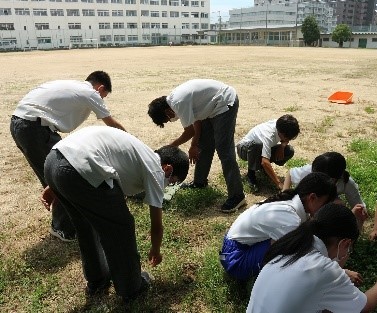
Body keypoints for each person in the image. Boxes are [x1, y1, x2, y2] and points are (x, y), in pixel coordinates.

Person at [40, 126, 189, 302]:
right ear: (168, 169)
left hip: (54, 160)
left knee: (85, 225)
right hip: (77, 168)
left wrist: (55, 183)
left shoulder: (139, 155)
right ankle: (132, 287)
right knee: (122, 227)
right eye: (172, 182)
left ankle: (97, 280)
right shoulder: (156, 170)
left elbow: (79, 159)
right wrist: (156, 250)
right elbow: (156, 226)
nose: (169, 185)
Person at [10, 71, 126, 241]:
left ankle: (64, 222)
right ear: (100, 88)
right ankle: (62, 228)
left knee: (54, 176)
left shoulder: (70, 85)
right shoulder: (90, 93)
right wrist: (128, 140)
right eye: (104, 96)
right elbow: (111, 123)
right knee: (60, 177)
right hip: (35, 128)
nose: (102, 100)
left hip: (20, 124)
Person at [247, 203, 377, 313]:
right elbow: (364, 307)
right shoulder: (326, 270)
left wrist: (342, 272)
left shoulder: (291, 246)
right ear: (345, 243)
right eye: (350, 248)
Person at [147, 79, 245, 213]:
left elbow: (190, 131)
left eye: (167, 120)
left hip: (224, 102)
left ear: (167, 112)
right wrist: (194, 145)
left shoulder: (178, 103)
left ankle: (237, 196)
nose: (170, 120)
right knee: (204, 144)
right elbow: (196, 123)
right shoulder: (175, 101)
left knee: (224, 150)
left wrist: (169, 148)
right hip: (210, 107)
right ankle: (199, 182)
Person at [219, 172, 337, 281]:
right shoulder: (291, 219)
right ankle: (256, 283)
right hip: (236, 260)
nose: (326, 209)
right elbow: (308, 254)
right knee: (295, 252)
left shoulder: (289, 201)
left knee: (295, 241)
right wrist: (336, 270)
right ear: (312, 198)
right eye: (326, 204)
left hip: (232, 248)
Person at [236, 115, 300, 192]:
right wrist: (279, 183)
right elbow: (265, 162)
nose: (288, 140)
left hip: (259, 148)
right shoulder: (268, 135)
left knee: (289, 150)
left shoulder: (282, 124)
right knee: (257, 145)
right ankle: (251, 175)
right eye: (287, 138)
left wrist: (282, 146)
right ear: (281, 133)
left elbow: (286, 139)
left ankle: (263, 169)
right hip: (244, 149)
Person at [283, 151, 366, 210]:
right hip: (308, 201)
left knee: (339, 205)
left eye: (320, 178)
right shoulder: (309, 171)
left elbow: (358, 206)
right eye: (315, 175)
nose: (316, 178)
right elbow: (290, 174)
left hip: (324, 203)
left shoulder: (346, 182)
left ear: (335, 179)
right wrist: (285, 197)